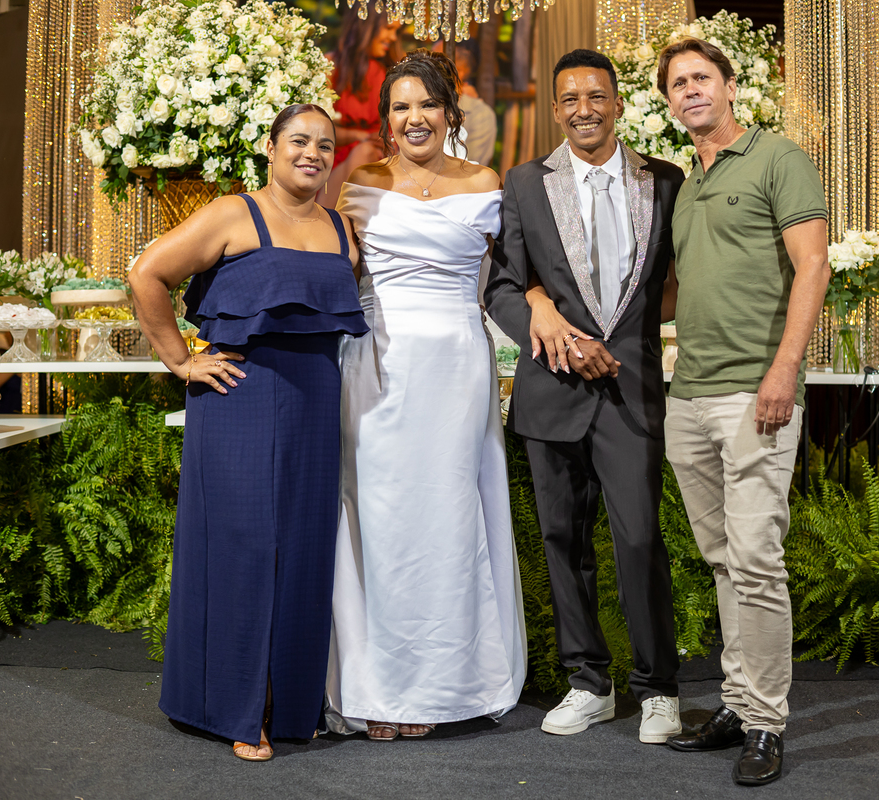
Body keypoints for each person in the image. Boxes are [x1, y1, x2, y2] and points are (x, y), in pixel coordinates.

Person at [130, 104, 367, 761]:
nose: (313, 154)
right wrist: (181, 360)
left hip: (316, 402)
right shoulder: (233, 214)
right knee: (244, 548)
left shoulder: (342, 228)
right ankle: (239, 709)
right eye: (299, 141)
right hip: (239, 397)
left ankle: (289, 705)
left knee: (305, 550)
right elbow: (146, 273)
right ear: (270, 146)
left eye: (325, 145)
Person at [483, 49, 684, 744]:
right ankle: (588, 682)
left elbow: (677, 279)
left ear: (618, 104)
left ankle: (658, 688)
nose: (583, 110)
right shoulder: (524, 182)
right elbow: (503, 286)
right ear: (555, 109)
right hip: (553, 389)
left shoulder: (664, 180)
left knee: (639, 538)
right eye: (569, 99)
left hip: (632, 391)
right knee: (563, 541)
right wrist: (551, 327)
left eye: (595, 96)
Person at [327, 49, 526, 741]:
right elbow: (334, 269)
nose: (414, 118)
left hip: (457, 367)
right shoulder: (361, 182)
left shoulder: (486, 182)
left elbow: (513, 280)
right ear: (387, 119)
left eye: (427, 105)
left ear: (450, 113)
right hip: (377, 366)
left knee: (448, 515)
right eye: (400, 107)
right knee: (378, 517)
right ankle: (378, 689)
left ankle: (442, 687)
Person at [656, 38, 829, 786]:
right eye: (678, 83)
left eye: (702, 77)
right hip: (689, 395)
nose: (691, 90)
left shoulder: (776, 158)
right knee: (725, 560)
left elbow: (813, 263)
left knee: (756, 560)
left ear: (730, 86)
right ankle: (736, 703)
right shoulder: (686, 183)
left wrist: (784, 368)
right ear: (669, 102)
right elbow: (677, 290)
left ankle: (765, 722)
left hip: (754, 393)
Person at [320, 7, 402, 208]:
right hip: (336, 157)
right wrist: (360, 136)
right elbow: (318, 130)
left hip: (382, 155)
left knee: (366, 153)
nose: (393, 37)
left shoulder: (393, 71)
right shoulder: (330, 66)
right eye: (388, 28)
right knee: (362, 152)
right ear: (366, 26)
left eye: (396, 31)